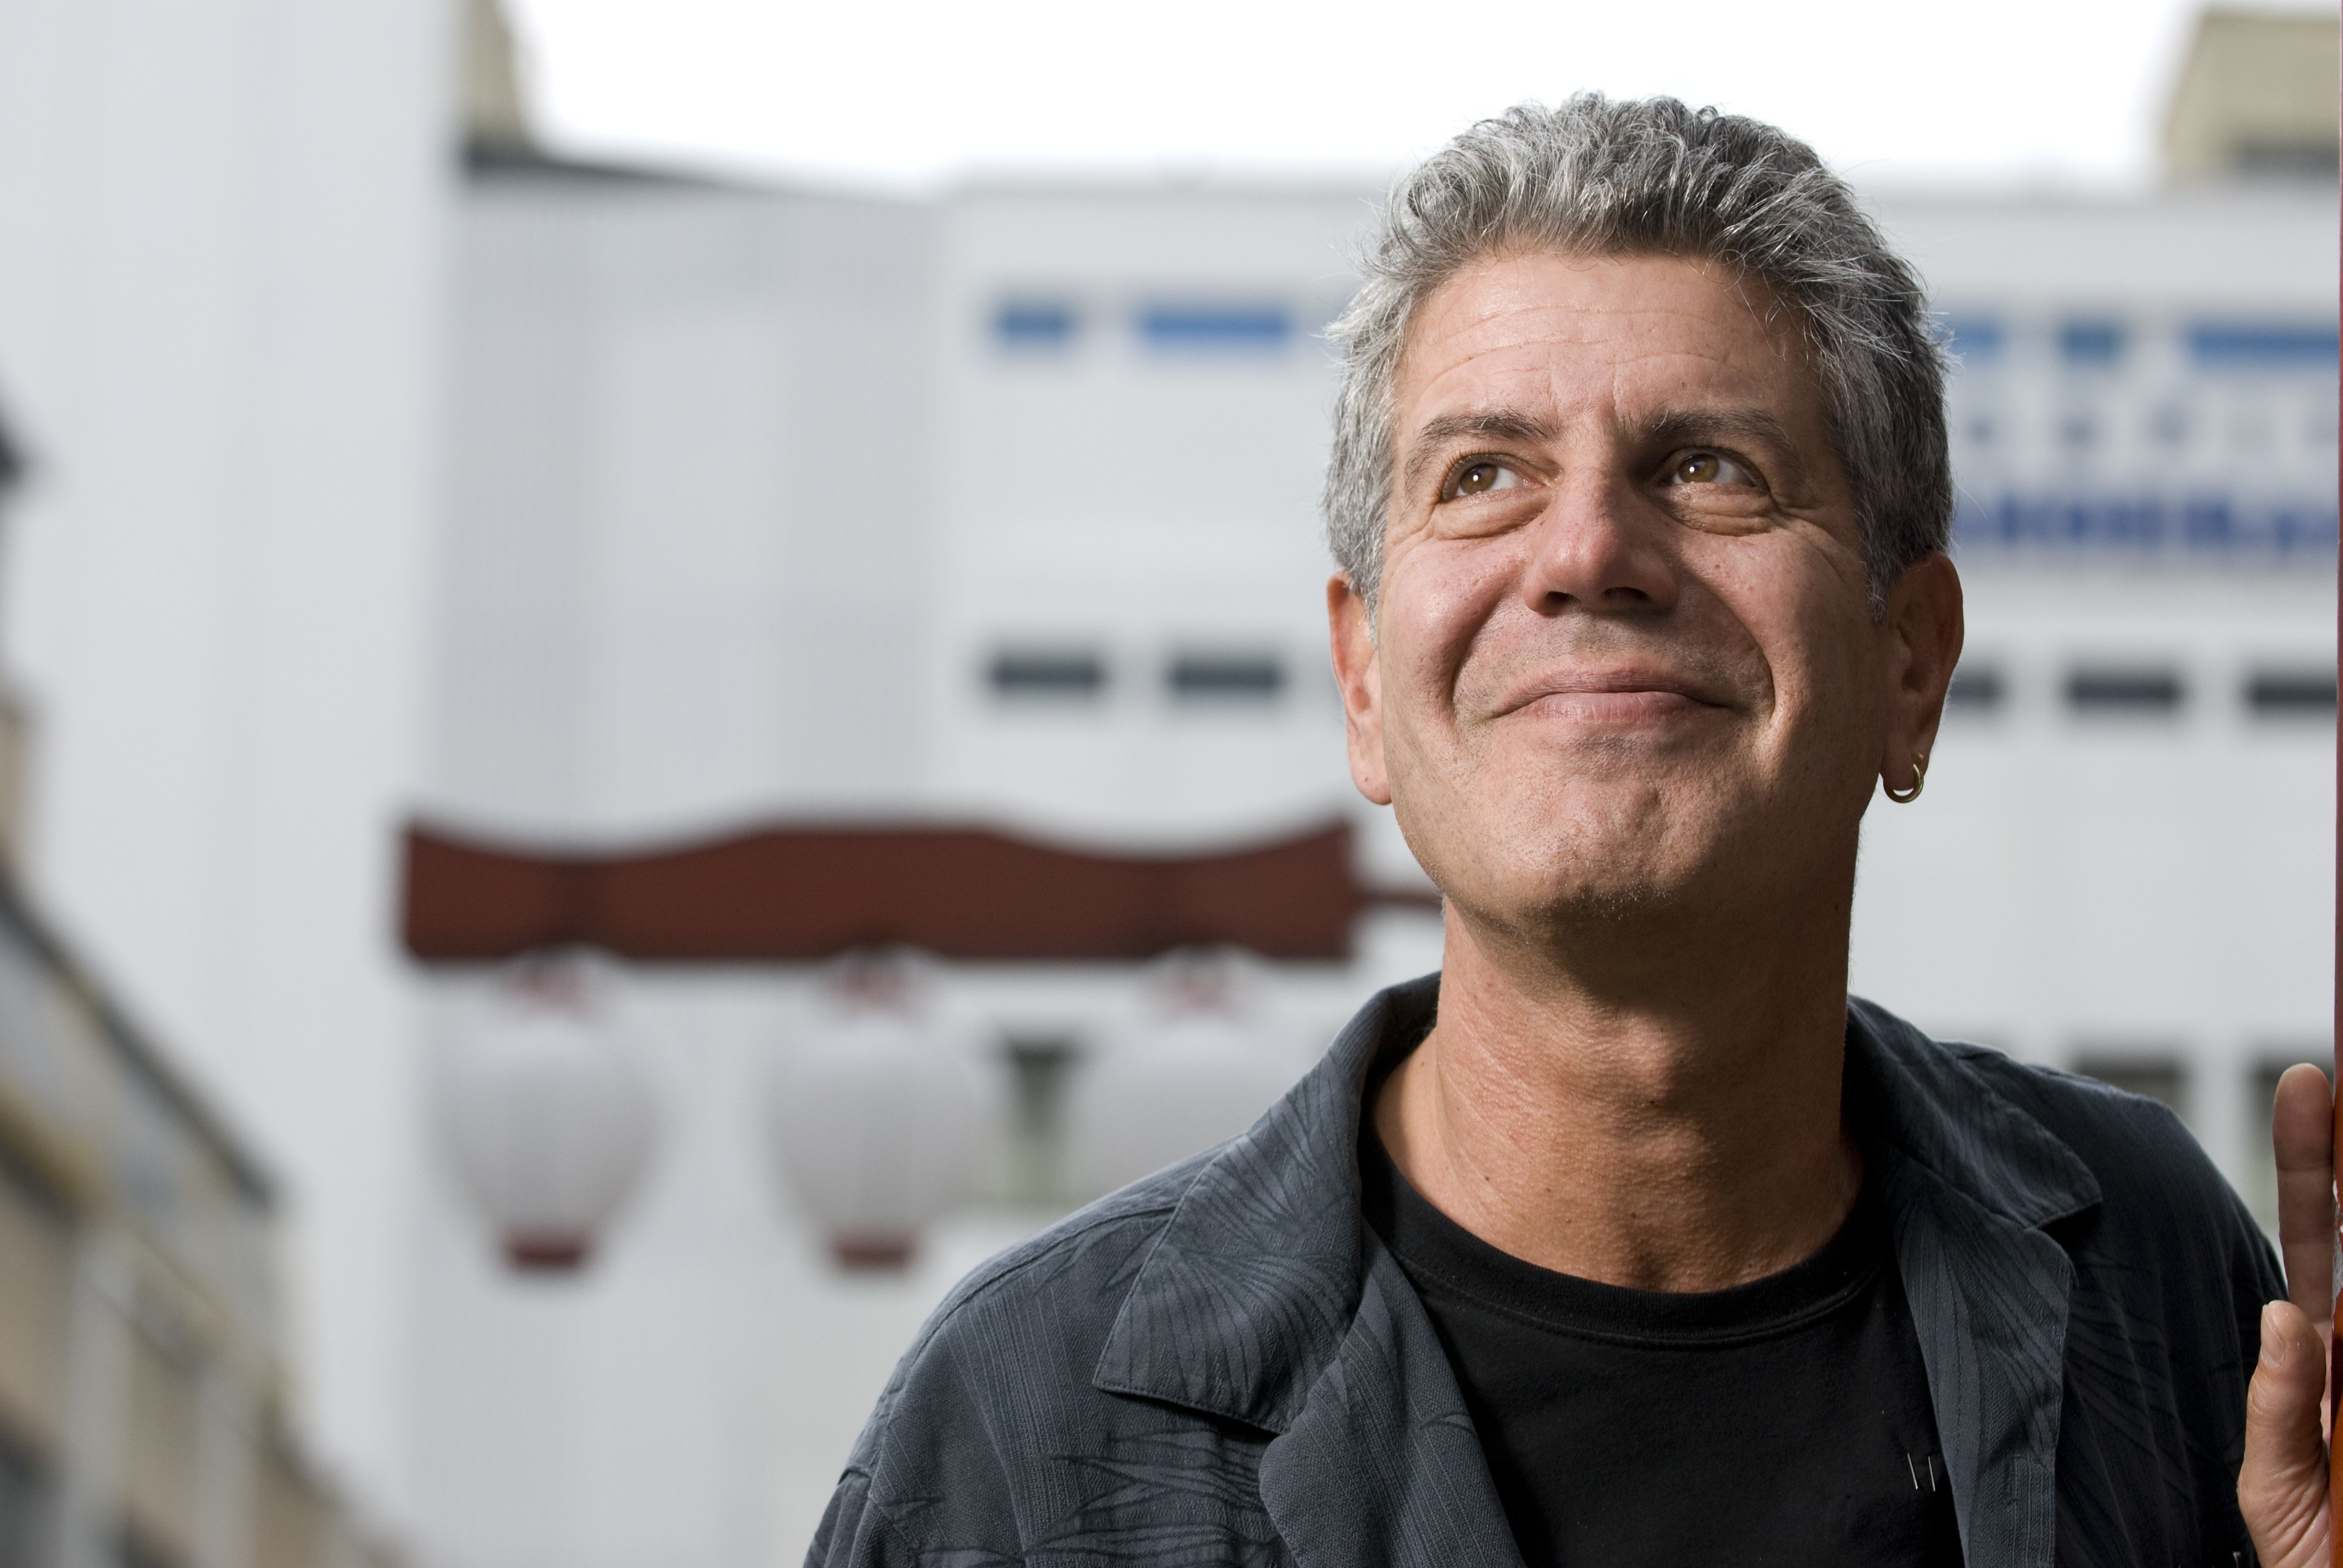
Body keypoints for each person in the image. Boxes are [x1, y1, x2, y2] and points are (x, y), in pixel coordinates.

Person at [808, 95, 2287, 1567]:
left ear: (1910, 661)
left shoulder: (2152, 1271)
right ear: (1367, 680)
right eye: (1483, 477)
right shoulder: (1019, 1433)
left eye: (1710, 467)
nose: (1585, 553)